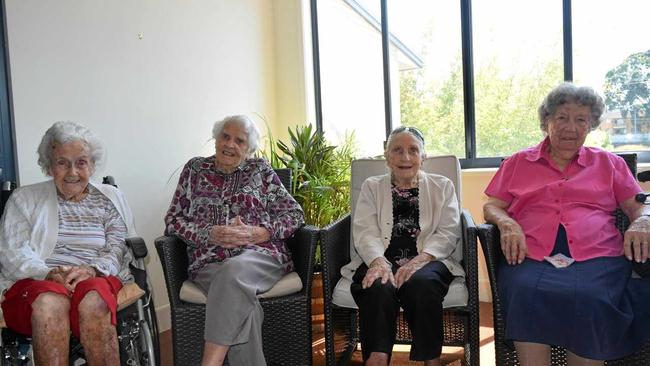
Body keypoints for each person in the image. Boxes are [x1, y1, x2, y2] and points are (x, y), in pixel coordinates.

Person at [483, 82, 650, 365]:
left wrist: (643, 221)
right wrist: (507, 223)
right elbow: (491, 206)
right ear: (546, 121)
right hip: (531, 255)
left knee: (592, 297)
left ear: (590, 125)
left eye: (580, 119)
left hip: (598, 257)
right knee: (524, 291)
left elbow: (639, 205)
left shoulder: (609, 163)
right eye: (561, 117)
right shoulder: (518, 163)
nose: (570, 127)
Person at [164, 115, 304, 366]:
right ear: (216, 139)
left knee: (233, 271)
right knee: (243, 306)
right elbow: (173, 220)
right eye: (225, 137)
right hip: (209, 260)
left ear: (248, 149)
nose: (230, 144)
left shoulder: (260, 170)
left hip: (261, 256)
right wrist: (210, 234)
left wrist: (261, 232)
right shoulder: (195, 170)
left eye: (239, 141)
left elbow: (294, 215)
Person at [0, 121, 137, 365]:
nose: (72, 172)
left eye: (81, 162)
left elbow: (117, 246)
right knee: (50, 301)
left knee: (94, 297)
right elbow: (12, 252)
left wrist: (92, 269)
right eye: (62, 162)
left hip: (96, 276)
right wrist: (48, 272)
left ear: (92, 165)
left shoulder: (110, 199)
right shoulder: (24, 199)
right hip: (38, 283)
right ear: (49, 166)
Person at [338, 126, 464, 366]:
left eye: (413, 150)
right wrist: (378, 261)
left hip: (429, 259)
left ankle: (431, 359)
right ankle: (377, 357)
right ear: (387, 157)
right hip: (379, 259)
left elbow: (448, 231)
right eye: (397, 150)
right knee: (377, 284)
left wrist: (421, 260)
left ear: (423, 157)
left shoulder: (442, 186)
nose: (405, 157)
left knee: (423, 283)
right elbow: (365, 230)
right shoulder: (371, 186)